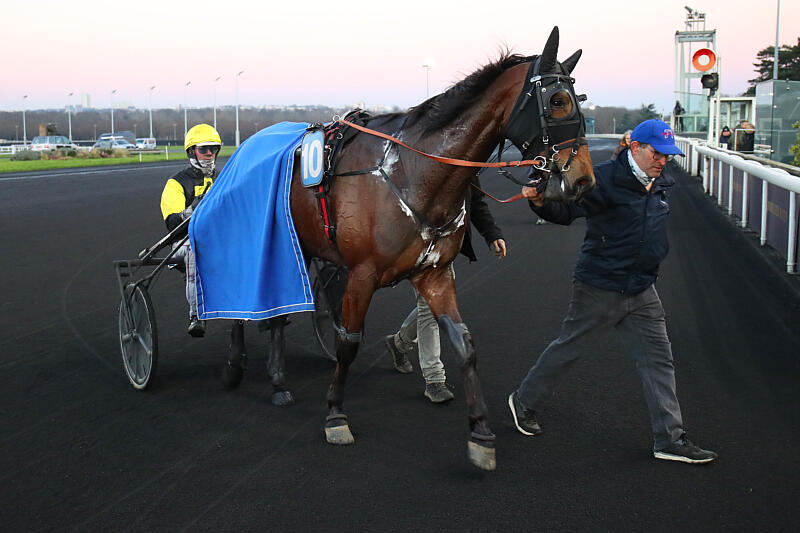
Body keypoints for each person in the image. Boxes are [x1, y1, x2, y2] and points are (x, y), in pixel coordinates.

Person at [507, 119, 718, 464]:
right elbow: (565, 212)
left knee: (659, 361)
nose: (663, 161)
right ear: (635, 148)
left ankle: (669, 439)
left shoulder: (661, 181)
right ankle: (524, 400)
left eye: (667, 155)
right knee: (569, 349)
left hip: (642, 288)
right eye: (657, 153)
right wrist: (540, 202)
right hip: (600, 286)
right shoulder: (602, 179)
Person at [384, 176, 506, 403]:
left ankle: (399, 342)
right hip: (413, 242)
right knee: (431, 307)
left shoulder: (465, 162)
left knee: (433, 307)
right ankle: (434, 379)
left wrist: (492, 233)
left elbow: (475, 200)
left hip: (443, 246)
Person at [160, 123, 222, 337]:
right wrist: (193, 209)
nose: (209, 154)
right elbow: (172, 224)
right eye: (204, 149)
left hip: (218, 240)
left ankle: (266, 313)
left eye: (213, 149)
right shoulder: (176, 183)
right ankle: (196, 315)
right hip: (182, 243)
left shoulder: (222, 179)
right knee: (194, 248)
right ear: (191, 151)